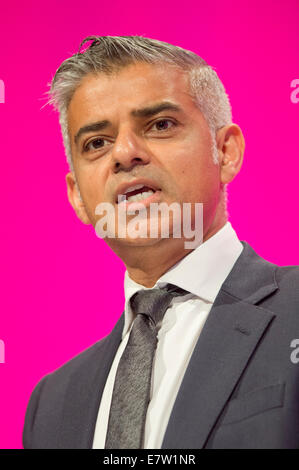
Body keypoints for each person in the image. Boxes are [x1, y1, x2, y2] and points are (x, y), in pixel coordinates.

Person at [23, 35, 299, 449]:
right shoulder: (51, 406)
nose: (125, 153)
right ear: (78, 196)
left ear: (225, 151)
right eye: (96, 143)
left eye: (160, 125)